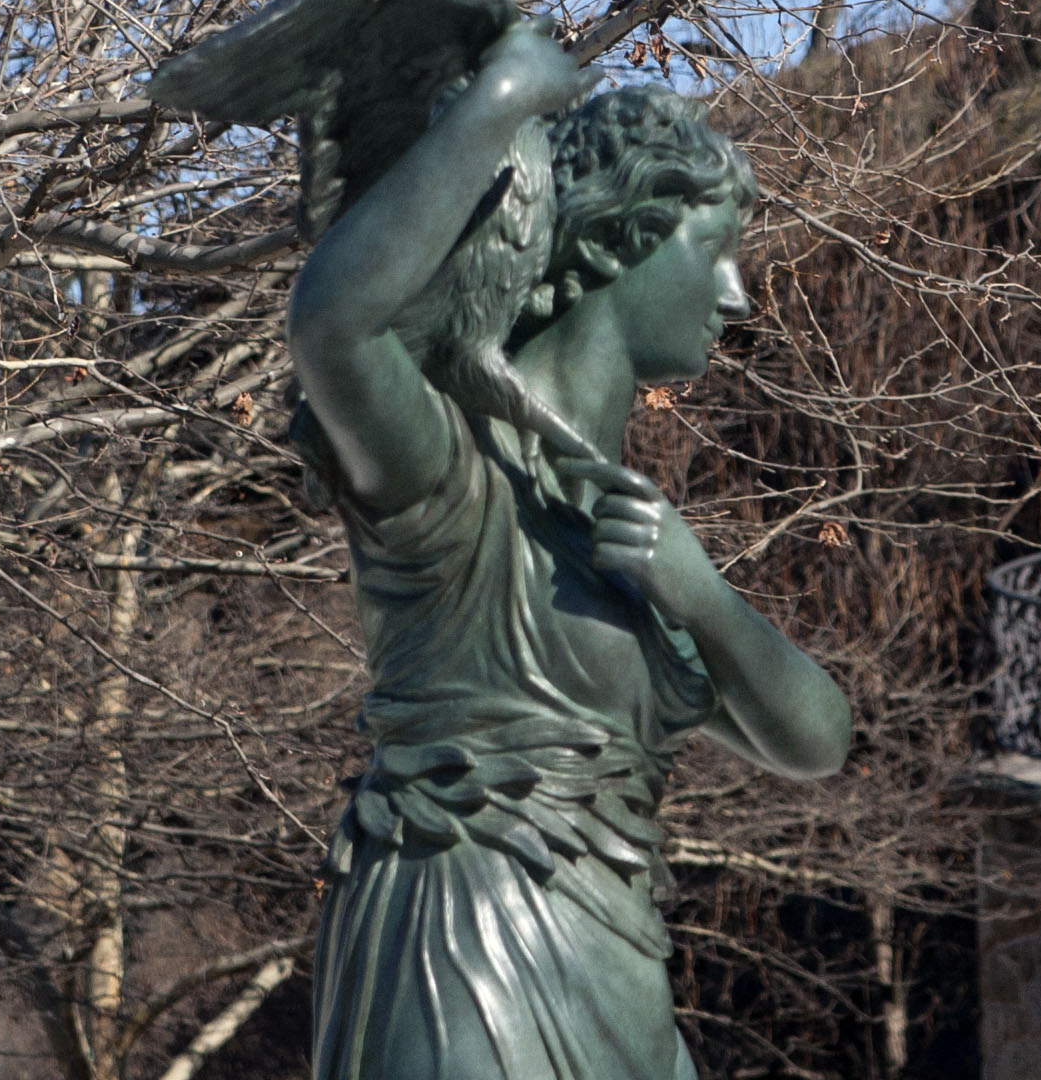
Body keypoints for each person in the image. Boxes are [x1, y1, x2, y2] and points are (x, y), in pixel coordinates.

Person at [286, 52, 853, 1080]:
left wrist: (700, 596)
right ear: (625, 240)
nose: (735, 296)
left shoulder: (626, 532)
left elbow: (817, 739)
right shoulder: (448, 474)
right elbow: (333, 324)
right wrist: (503, 97)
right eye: (715, 249)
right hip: (461, 950)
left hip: (619, 971)